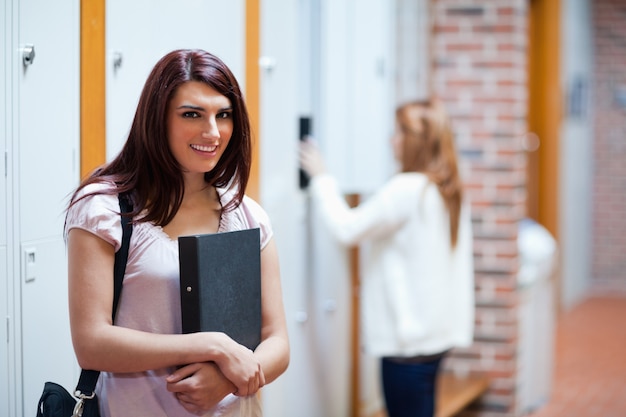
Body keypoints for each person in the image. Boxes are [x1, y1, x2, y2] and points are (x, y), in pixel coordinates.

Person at [65, 49, 289, 417]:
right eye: (192, 115)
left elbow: (277, 340)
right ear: (157, 119)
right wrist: (212, 347)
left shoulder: (248, 214)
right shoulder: (104, 209)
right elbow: (92, 343)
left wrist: (227, 380)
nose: (213, 132)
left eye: (224, 115)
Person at [299, 99, 474, 417]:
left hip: (407, 345)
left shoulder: (407, 189)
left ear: (415, 140)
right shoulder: (447, 189)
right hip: (433, 336)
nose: (391, 140)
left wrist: (321, 177)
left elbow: (346, 229)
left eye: (398, 132)